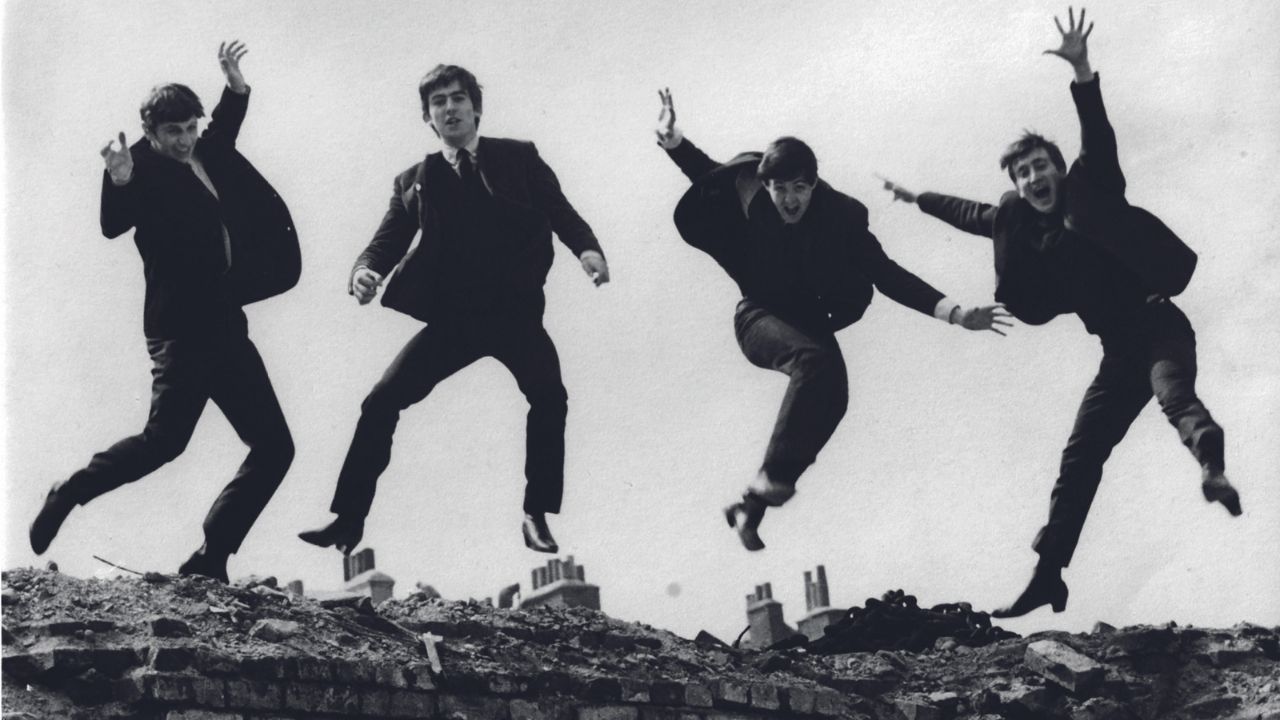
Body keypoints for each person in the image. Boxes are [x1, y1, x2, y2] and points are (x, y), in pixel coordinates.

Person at [879, 7, 1241, 618]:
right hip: (1117, 350)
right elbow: (971, 214)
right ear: (1019, 186)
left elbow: (1097, 133)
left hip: (1159, 325)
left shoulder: (1092, 187)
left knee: (1174, 394)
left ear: (1057, 169)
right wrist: (919, 199)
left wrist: (1082, 71)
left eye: (1041, 166)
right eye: (1023, 173)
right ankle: (1048, 575)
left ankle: (1212, 467)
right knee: (1080, 455)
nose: (1033, 178)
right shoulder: (1021, 226)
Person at [654, 89, 1010, 551]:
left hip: (809, 319)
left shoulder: (842, 216)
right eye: (780, 189)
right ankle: (769, 480)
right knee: (814, 364)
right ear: (765, 186)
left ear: (814, 185)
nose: (789, 200)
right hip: (757, 316)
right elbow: (705, 171)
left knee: (834, 397)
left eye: (799, 189)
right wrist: (674, 141)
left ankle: (751, 507)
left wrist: (955, 313)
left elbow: (885, 273)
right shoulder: (747, 192)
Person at [299, 65, 609, 556]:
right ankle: (348, 518)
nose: (449, 108)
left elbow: (561, 210)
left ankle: (536, 514)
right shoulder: (415, 180)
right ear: (428, 117)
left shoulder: (519, 157)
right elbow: (384, 242)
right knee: (381, 401)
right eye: (438, 102)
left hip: (516, 316)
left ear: (476, 108)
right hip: (454, 322)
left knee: (550, 396)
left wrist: (588, 250)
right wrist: (363, 272)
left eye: (458, 98)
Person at [29, 42, 301, 583]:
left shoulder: (206, 151)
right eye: (172, 132)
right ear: (150, 132)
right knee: (164, 443)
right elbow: (114, 223)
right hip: (180, 332)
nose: (183, 140)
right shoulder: (143, 168)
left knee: (275, 448)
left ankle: (211, 556)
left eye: (189, 129)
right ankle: (70, 492)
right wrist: (119, 178)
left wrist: (235, 86)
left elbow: (225, 124)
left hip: (226, 325)